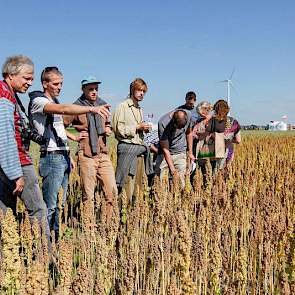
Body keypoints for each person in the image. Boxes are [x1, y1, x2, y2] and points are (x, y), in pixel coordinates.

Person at [29, 68, 110, 237]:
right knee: (50, 205)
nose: (60, 87)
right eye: (56, 83)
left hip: (62, 156)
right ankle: (44, 245)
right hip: (52, 158)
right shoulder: (39, 101)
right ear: (45, 83)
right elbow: (65, 109)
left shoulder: (54, 100)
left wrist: (70, 144)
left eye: (61, 84)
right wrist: (90, 110)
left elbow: (59, 129)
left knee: (60, 203)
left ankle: (55, 240)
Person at [0, 55, 48, 235]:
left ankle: (7, 258)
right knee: (38, 210)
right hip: (17, 162)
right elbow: (4, 136)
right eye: (27, 78)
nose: (30, 82)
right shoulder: (4, 94)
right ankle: (44, 258)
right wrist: (15, 173)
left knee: (5, 213)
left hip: (8, 162)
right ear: (11, 74)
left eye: (32, 79)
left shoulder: (9, 93)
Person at [63, 76, 117, 222]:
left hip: (103, 154)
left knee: (112, 191)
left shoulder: (103, 105)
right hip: (86, 154)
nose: (94, 92)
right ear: (83, 89)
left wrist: (107, 128)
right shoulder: (76, 107)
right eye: (90, 89)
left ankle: (107, 224)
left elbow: (108, 123)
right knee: (88, 194)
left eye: (96, 89)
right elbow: (59, 126)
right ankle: (89, 227)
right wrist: (74, 137)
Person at [112, 78, 153, 201]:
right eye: (139, 90)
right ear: (132, 90)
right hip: (128, 150)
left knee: (138, 187)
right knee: (126, 186)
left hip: (139, 151)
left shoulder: (139, 109)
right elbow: (118, 129)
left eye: (144, 91)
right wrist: (137, 127)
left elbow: (136, 130)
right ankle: (121, 214)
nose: (141, 94)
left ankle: (133, 214)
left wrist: (144, 129)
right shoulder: (122, 106)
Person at [155, 109, 195, 188]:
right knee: (161, 183)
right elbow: (165, 149)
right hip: (164, 154)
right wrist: (172, 169)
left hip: (180, 152)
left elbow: (189, 133)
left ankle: (180, 199)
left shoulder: (189, 114)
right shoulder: (163, 123)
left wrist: (190, 153)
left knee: (182, 183)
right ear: (173, 120)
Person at [206, 99, 241, 174]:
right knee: (227, 171)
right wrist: (228, 139)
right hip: (229, 149)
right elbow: (238, 140)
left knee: (215, 171)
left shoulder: (211, 121)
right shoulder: (234, 122)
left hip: (214, 150)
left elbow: (206, 135)